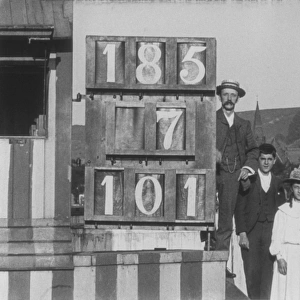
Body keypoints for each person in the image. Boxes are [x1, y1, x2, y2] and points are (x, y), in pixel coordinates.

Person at [215, 79, 259, 278]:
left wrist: (248, 168)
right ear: (220, 97)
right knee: (211, 221)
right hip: (213, 175)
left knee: (226, 221)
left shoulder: (244, 124)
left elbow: (253, 150)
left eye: (233, 95)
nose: (229, 99)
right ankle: (213, 265)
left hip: (234, 177)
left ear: (238, 99)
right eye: (226, 94)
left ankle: (220, 266)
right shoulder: (210, 119)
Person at [235, 143, 286, 299]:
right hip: (252, 233)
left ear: (274, 160)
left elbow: (282, 212)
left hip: (271, 233)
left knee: (267, 274)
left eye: (269, 159)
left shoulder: (278, 183)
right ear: (258, 159)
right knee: (252, 273)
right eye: (263, 159)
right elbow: (239, 208)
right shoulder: (248, 180)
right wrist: (242, 233)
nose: (266, 162)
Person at [269, 166, 300, 300]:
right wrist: (280, 257)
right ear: (292, 189)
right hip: (286, 256)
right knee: (284, 292)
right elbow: (276, 237)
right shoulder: (283, 211)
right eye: (297, 187)